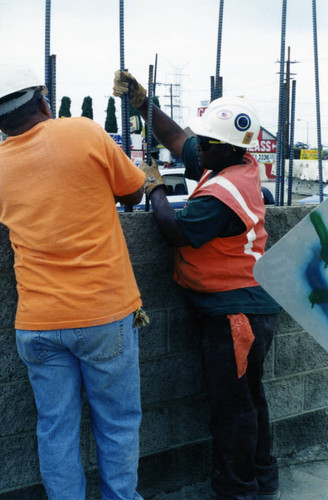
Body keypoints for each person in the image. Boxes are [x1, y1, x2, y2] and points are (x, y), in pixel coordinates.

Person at [113, 70, 281, 500]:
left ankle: (238, 491)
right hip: (243, 310)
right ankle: (262, 480)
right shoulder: (231, 161)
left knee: (233, 409)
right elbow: (178, 140)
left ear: (225, 147)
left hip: (235, 315)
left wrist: (153, 189)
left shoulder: (222, 195)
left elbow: (174, 231)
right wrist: (142, 104)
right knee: (248, 399)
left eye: (206, 142)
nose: (197, 147)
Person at [0, 63, 147, 500]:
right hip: (103, 312)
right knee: (118, 423)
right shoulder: (84, 132)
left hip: (37, 321)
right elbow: (134, 192)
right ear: (44, 100)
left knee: (55, 428)